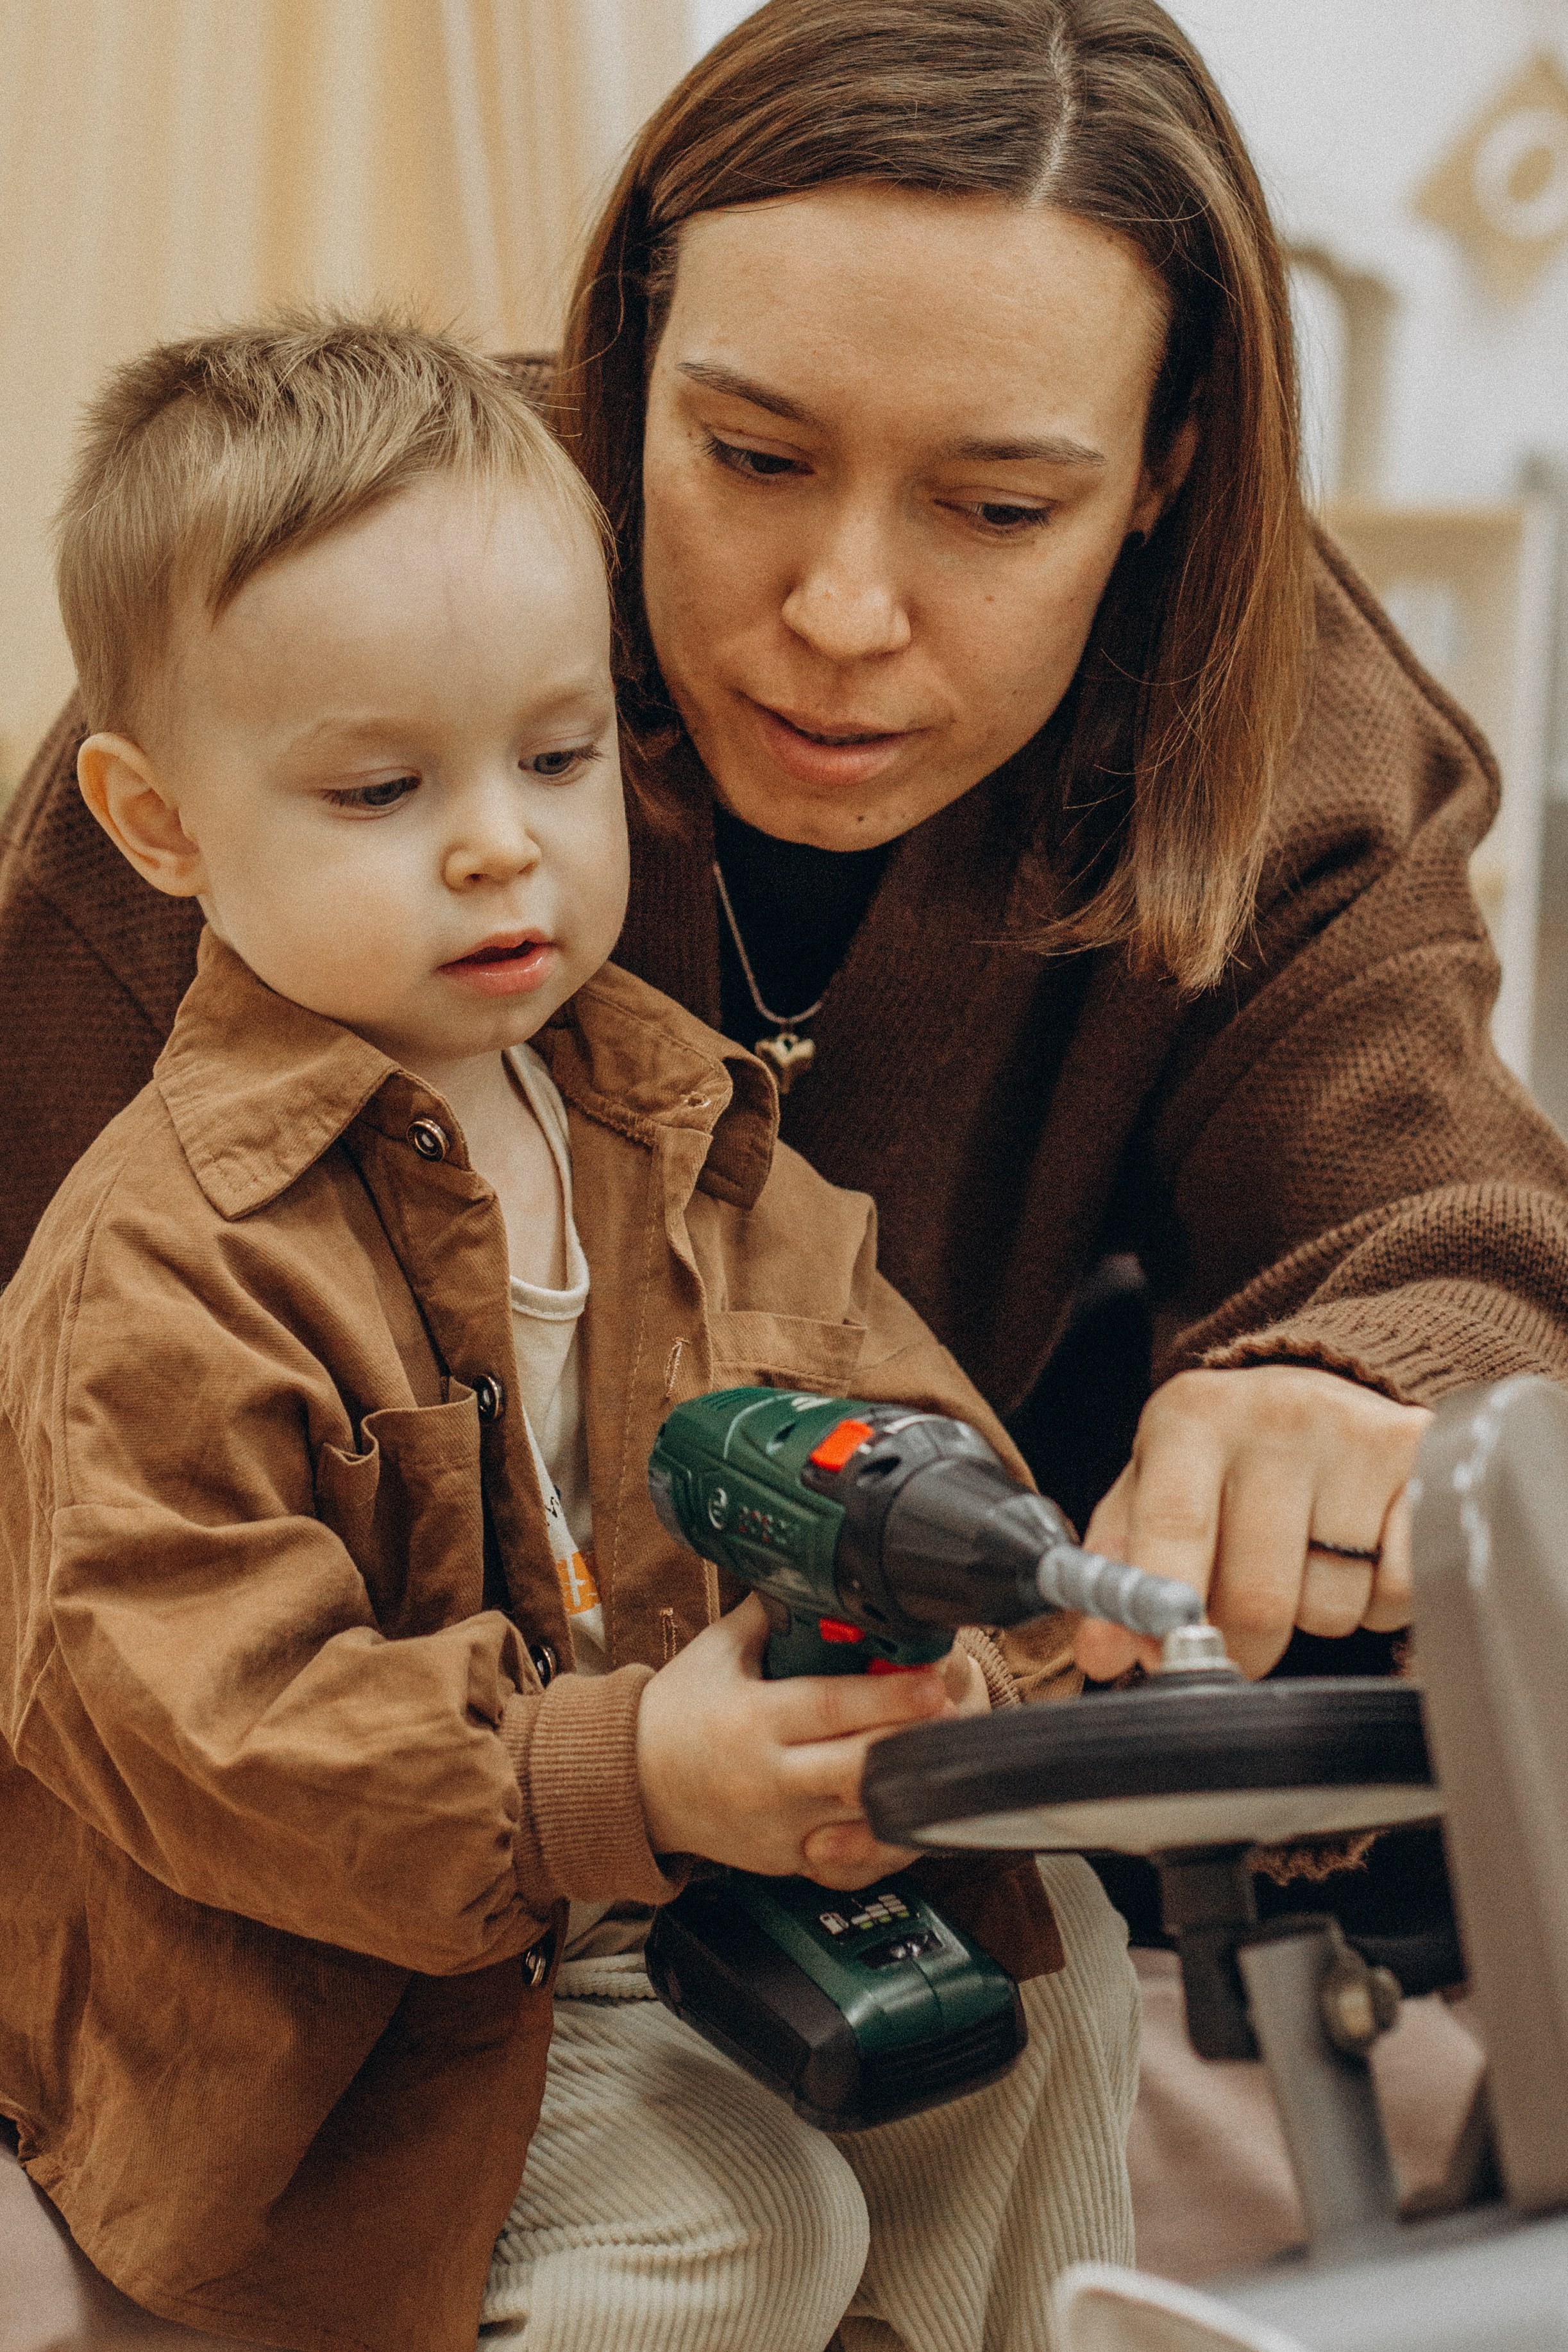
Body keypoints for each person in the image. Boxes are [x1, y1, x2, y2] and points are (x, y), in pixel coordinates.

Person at [7, 0, 1568, 1688]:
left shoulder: (1297, 733)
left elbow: (1474, 1247)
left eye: (997, 508)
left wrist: (1362, 1388)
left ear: (1161, 471)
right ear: (630, 365)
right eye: (750, 455)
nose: (841, 613)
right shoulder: (302, 647)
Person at [0, 314, 1140, 2352]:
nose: (501, 841)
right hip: (364, 1991)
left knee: (1054, 1958)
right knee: (741, 2230)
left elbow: (874, 1387)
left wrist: (1022, 1610)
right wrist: (612, 1778)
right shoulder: (160, 1268)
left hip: (690, 1858)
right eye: (380, 785)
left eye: (555, 754)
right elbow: (222, 1732)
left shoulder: (670, 1109)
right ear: (161, 824)